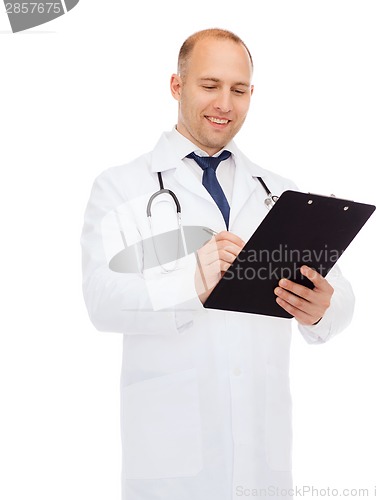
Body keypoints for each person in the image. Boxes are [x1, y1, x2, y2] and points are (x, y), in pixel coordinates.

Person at [81, 28, 355, 500]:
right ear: (176, 86)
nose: (224, 103)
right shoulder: (121, 187)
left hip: (263, 463)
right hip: (170, 465)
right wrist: (190, 284)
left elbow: (342, 298)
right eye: (209, 86)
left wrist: (323, 308)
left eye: (239, 89)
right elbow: (101, 301)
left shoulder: (277, 193)